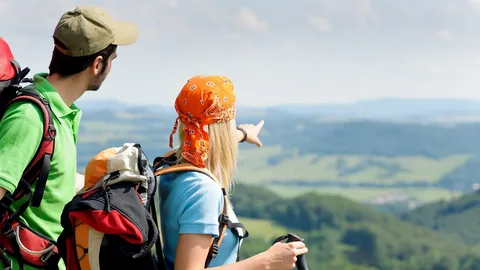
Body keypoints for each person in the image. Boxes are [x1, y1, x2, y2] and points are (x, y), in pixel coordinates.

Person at [0, 5, 138, 270]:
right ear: (98, 64)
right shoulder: (30, 117)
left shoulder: (59, 113)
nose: (112, 64)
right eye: (113, 58)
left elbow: (47, 187)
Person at [159, 75, 308, 270]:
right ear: (222, 128)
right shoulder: (203, 191)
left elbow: (206, 138)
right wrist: (266, 262)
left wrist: (244, 134)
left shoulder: (171, 164)